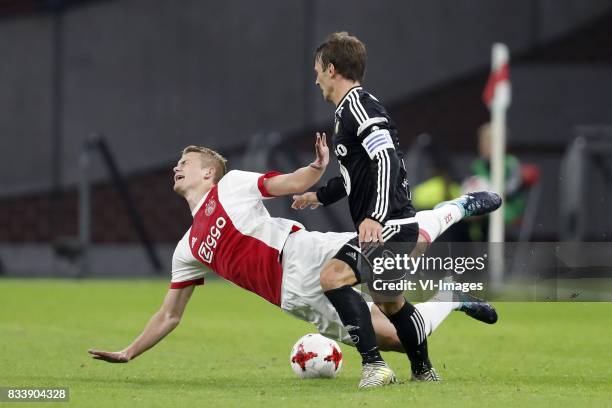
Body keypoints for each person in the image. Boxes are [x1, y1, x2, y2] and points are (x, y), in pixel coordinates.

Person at [88, 137, 498, 380]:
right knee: (394, 338)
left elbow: (289, 183)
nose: (177, 167)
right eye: (177, 163)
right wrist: (130, 351)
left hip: (302, 251)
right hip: (293, 297)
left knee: (396, 247)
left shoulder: (232, 184)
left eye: (186, 163)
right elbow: (169, 315)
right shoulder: (187, 249)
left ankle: (456, 207)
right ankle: (450, 296)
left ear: (208, 173)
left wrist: (316, 168)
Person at [291, 32, 501, 386]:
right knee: (391, 304)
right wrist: (320, 196)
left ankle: (374, 365)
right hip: (393, 221)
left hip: (389, 223)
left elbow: (386, 158)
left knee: (333, 277)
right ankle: (423, 370)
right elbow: (357, 174)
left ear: (331, 68)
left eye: (317, 71)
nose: (315, 80)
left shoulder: (358, 106)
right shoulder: (348, 113)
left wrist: (375, 214)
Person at [463, 122, 525, 241]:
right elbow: (468, 185)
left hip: (507, 208)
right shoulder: (477, 165)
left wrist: (489, 195)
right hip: (481, 210)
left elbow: (512, 189)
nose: (483, 145)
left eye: (488, 142)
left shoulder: (510, 163)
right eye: (481, 141)